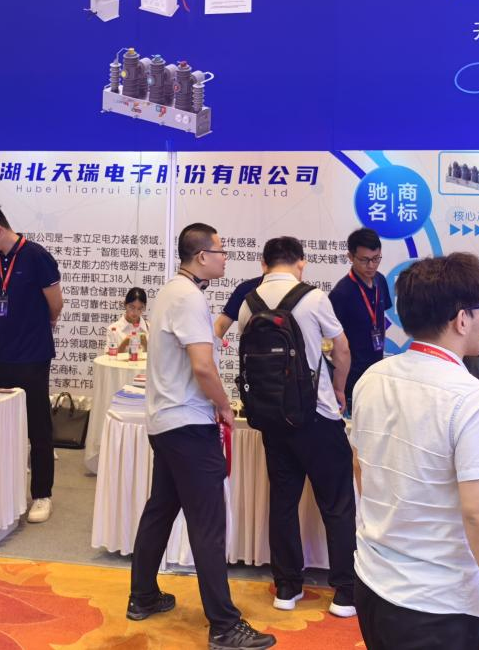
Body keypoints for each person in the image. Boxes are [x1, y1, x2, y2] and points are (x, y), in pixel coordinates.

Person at [351, 252, 479, 650]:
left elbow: (362, 469)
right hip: (437, 605)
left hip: (372, 582)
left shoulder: (372, 377)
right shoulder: (471, 397)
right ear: (461, 319)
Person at [127, 223, 276, 650]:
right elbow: (203, 366)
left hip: (167, 422)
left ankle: (143, 595)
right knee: (208, 525)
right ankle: (224, 626)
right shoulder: (189, 297)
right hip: (189, 425)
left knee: (161, 509)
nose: (225, 257)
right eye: (220, 251)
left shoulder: (172, 291)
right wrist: (225, 406)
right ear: (201, 256)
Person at [236, 236, 356, 618]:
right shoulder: (314, 298)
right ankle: (345, 592)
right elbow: (342, 349)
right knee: (336, 503)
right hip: (317, 417)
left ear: (264, 264)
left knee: (283, 502)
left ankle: (287, 587)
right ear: (300, 262)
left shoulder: (248, 303)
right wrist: (339, 389)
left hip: (272, 419)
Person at [0, 203, 63, 524]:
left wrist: (41, 324)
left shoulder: (36, 256)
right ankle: (4, 490)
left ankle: (42, 494)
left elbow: (55, 303)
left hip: (33, 354)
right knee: (0, 424)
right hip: (0, 354)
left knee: (38, 426)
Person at [328, 229, 391, 410]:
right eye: (364, 260)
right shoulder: (341, 293)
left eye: (376, 259)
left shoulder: (380, 281)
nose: (371, 266)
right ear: (350, 256)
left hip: (376, 370)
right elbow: (333, 343)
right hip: (351, 376)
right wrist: (338, 386)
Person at [214, 269, 265, 346]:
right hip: (253, 351)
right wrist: (211, 344)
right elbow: (221, 325)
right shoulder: (246, 288)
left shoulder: (246, 287)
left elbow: (221, 325)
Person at [106, 287, 149, 353]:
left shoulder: (150, 328)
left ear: (145, 307)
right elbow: (108, 357)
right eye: (132, 307)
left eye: (140, 308)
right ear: (125, 304)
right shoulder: (113, 329)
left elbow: (157, 356)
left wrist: (146, 345)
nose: (135, 312)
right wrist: (124, 344)